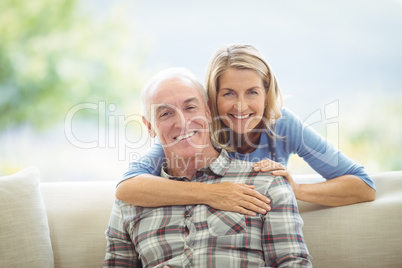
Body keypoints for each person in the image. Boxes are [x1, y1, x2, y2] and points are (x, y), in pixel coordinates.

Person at [116, 44, 375, 215]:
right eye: (228, 93)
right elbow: (127, 187)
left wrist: (296, 191)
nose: (241, 107)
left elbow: (362, 186)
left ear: (266, 94)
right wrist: (210, 193)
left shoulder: (282, 125)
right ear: (211, 100)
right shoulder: (196, 131)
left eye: (252, 92)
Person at [104, 68, 312, 267]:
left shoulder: (267, 183)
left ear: (209, 110)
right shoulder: (130, 202)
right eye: (165, 114)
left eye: (190, 107)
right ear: (149, 126)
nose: (182, 122)